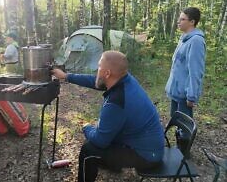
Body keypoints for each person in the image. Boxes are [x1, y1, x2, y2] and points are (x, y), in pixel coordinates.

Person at [51, 51, 164, 182]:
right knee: (104, 136)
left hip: (147, 156)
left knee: (88, 150)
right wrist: (66, 76)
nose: (96, 70)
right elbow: (96, 81)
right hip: (150, 145)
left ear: (107, 73)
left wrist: (87, 127)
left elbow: (100, 141)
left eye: (99, 66)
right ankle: (113, 166)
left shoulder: (116, 102)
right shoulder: (124, 80)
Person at [165, 7, 206, 118]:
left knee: (184, 128)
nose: (179, 21)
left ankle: (185, 136)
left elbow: (196, 70)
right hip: (176, 91)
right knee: (175, 122)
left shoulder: (196, 41)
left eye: (182, 19)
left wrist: (191, 96)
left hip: (184, 94)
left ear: (192, 22)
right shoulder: (184, 38)